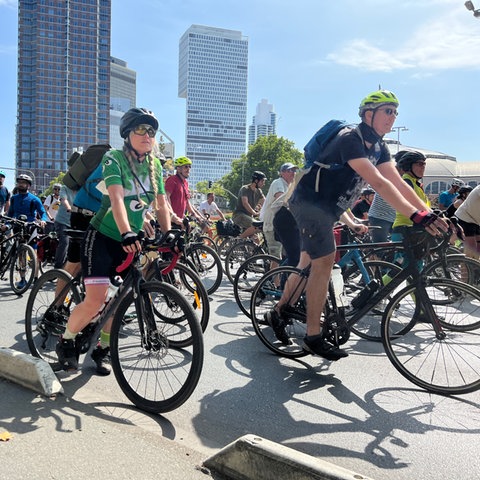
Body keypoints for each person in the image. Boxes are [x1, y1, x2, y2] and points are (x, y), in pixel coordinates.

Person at [264, 89, 447, 361]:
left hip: (331, 207)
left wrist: (429, 213)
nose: (393, 117)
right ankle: (313, 335)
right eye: (388, 110)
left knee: (307, 262)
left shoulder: (380, 147)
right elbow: (379, 183)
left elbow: (398, 182)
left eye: (396, 112)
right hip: (309, 203)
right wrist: (415, 215)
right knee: (324, 261)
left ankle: (278, 312)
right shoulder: (350, 137)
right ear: (368, 114)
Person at [55, 107, 172, 374]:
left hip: (130, 240)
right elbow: (117, 198)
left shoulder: (155, 166)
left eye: (151, 131)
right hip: (103, 237)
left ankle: (102, 349)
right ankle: (66, 341)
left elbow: (162, 204)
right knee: (96, 300)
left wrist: (169, 233)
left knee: (119, 300)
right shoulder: (113, 158)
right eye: (140, 129)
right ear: (127, 133)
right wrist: (126, 232)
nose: (147, 135)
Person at [5, 174, 47, 289]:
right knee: (21, 254)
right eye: (19, 182)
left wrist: (43, 221)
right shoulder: (14, 198)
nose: (21, 184)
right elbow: (10, 214)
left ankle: (36, 279)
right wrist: (7, 225)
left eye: (23, 183)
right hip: (18, 226)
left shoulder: (34, 199)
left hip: (31, 227)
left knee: (33, 253)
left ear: (28, 185)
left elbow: (42, 212)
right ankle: (22, 279)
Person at [260, 163, 298, 267]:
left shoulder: (289, 186)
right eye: (290, 170)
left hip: (283, 226)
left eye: (294, 171)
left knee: (289, 255)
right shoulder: (278, 183)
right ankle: (274, 282)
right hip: (272, 225)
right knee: (276, 257)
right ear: (282, 173)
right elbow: (281, 200)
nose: (293, 173)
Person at [164, 156, 205, 227]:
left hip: (180, 220)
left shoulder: (185, 183)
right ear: (178, 169)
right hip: (171, 220)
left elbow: (187, 203)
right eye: (186, 167)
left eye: (189, 167)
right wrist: (172, 215)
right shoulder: (172, 180)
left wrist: (196, 215)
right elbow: (166, 198)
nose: (188, 169)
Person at [232, 171, 266, 239]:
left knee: (256, 240)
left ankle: (255, 249)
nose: (264, 183)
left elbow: (265, 202)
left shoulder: (258, 191)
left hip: (249, 217)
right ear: (256, 181)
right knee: (257, 226)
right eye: (262, 181)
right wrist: (254, 213)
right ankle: (239, 239)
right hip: (239, 216)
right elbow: (245, 203)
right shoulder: (245, 189)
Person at [52, 184, 75, 269]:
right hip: (62, 221)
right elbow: (63, 200)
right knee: (64, 242)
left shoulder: (82, 190)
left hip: (74, 222)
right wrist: (69, 208)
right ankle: (57, 268)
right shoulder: (65, 188)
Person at [455, 184, 480, 259]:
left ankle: (474, 268)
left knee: (478, 249)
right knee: (471, 251)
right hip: (465, 218)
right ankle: (465, 270)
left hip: (476, 221)